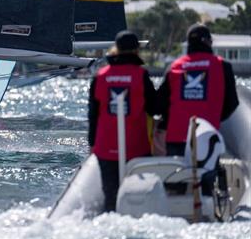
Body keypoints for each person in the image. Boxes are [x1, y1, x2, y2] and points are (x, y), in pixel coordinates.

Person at [88, 31, 157, 212]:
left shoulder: (99, 77)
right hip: (137, 148)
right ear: (136, 51)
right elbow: (155, 108)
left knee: (110, 198)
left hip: (106, 149)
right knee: (140, 196)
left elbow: (93, 115)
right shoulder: (141, 76)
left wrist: (91, 145)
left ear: (116, 50)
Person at [157, 24, 239, 156]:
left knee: (178, 176)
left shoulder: (174, 67)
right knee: (206, 176)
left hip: (177, 139)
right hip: (207, 137)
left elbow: (159, 104)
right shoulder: (223, 66)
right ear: (207, 42)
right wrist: (215, 116)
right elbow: (232, 103)